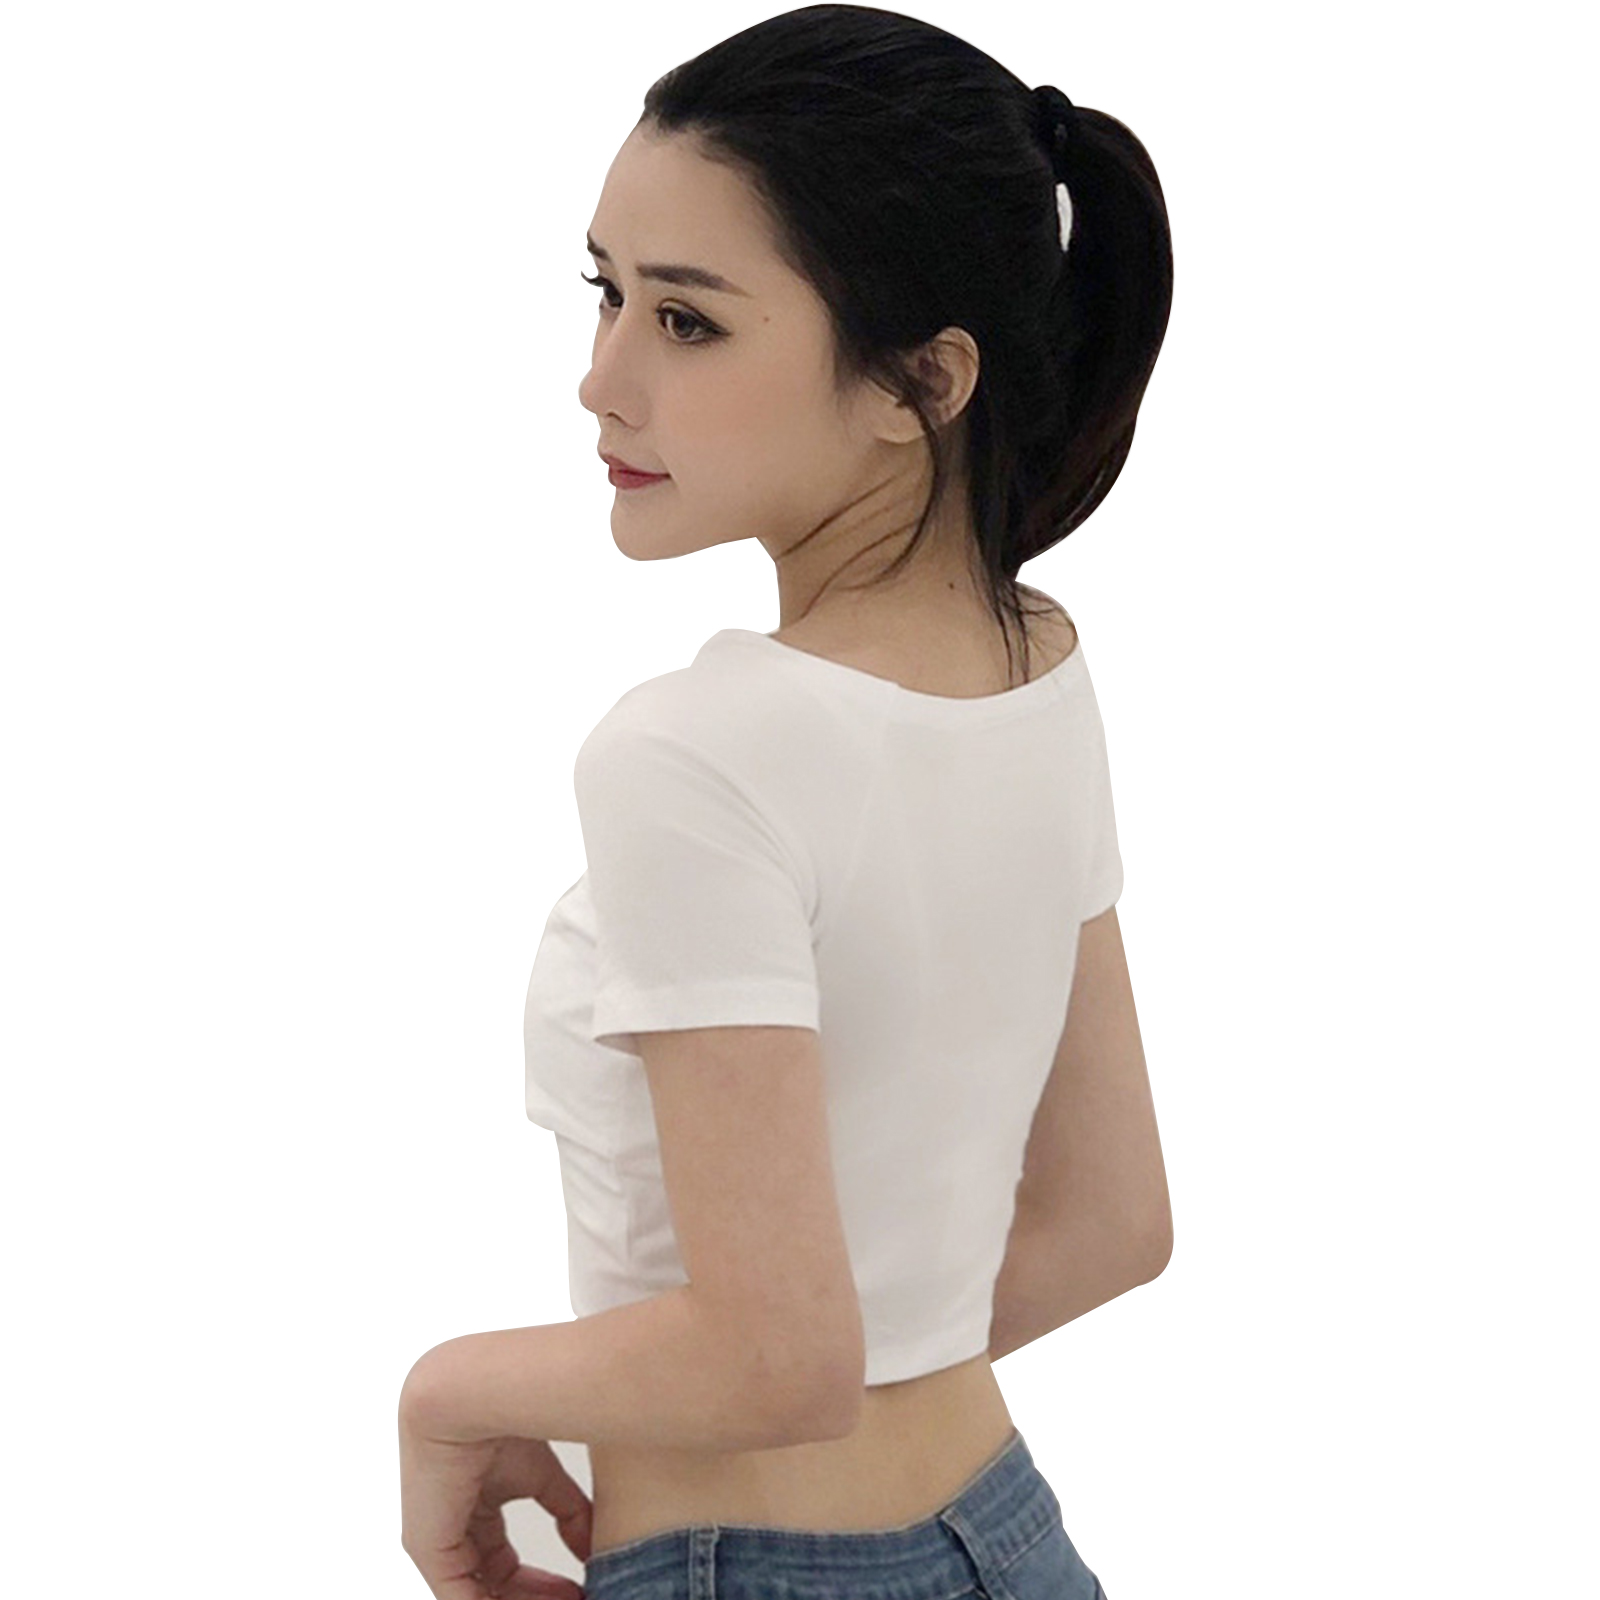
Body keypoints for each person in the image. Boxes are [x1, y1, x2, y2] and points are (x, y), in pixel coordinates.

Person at [398, 7, 1174, 1598]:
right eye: (607, 292)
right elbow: (1113, 1222)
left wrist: (445, 1397)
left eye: (688, 322)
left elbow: (776, 1361)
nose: (601, 380)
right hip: (1008, 1536)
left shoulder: (697, 752)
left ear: (920, 381)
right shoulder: (1034, 663)